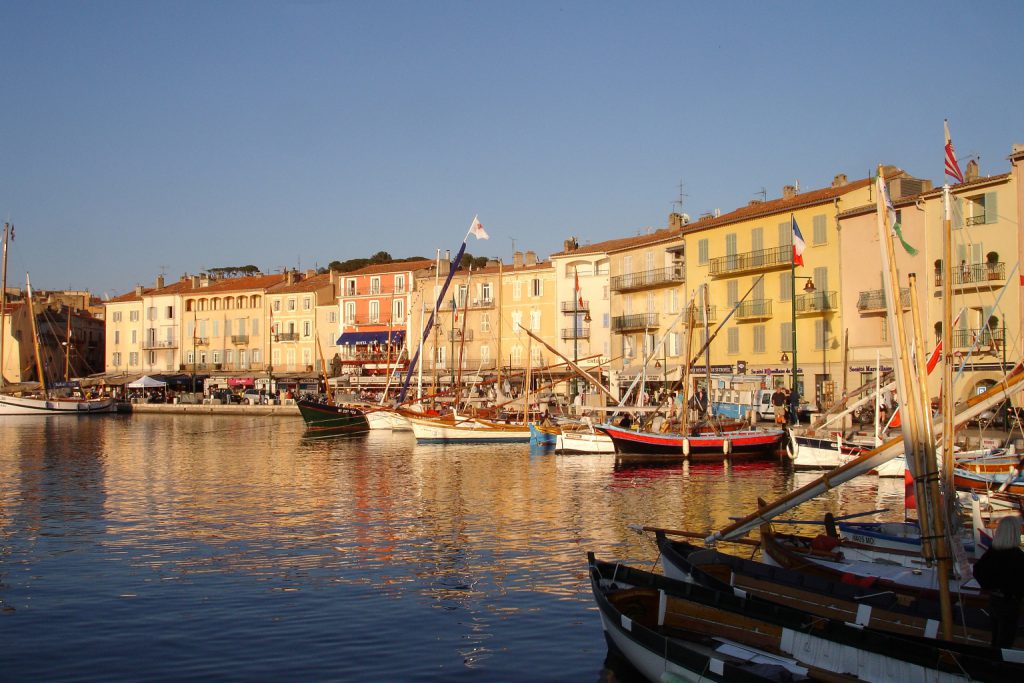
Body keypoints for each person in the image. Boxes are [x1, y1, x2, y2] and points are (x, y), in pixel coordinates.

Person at [972, 515, 1024, 647]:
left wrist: (989, 586)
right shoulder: (1018, 556)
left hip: (994, 600)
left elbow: (978, 570)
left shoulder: (992, 553)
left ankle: (993, 657)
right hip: (1009, 602)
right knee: (1005, 641)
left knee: (996, 638)